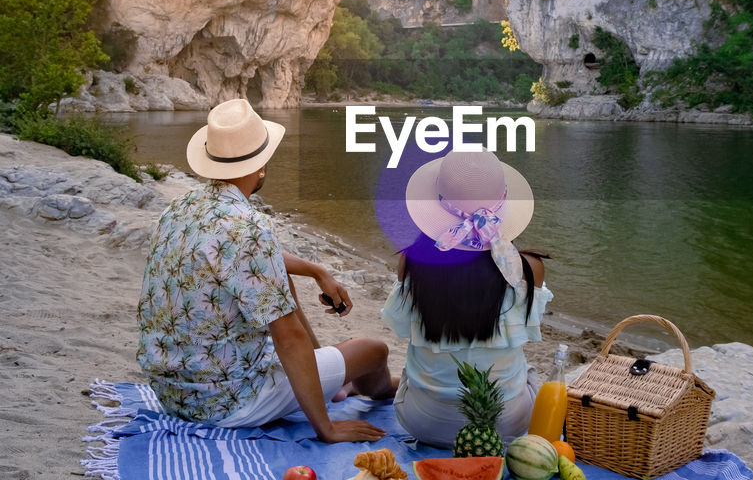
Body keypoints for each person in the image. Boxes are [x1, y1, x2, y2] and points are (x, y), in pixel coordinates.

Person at [137, 98, 395, 441]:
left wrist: (316, 269)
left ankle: (329, 373)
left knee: (279, 276)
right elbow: (289, 338)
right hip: (229, 402)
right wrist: (326, 428)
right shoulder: (249, 228)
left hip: (173, 393)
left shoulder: (181, 207)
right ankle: (380, 389)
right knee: (373, 350)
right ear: (260, 166)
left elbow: (242, 256)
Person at [380, 149, 551, 448]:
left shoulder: (412, 263)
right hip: (506, 424)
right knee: (528, 374)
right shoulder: (528, 269)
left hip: (423, 422)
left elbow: (405, 326)